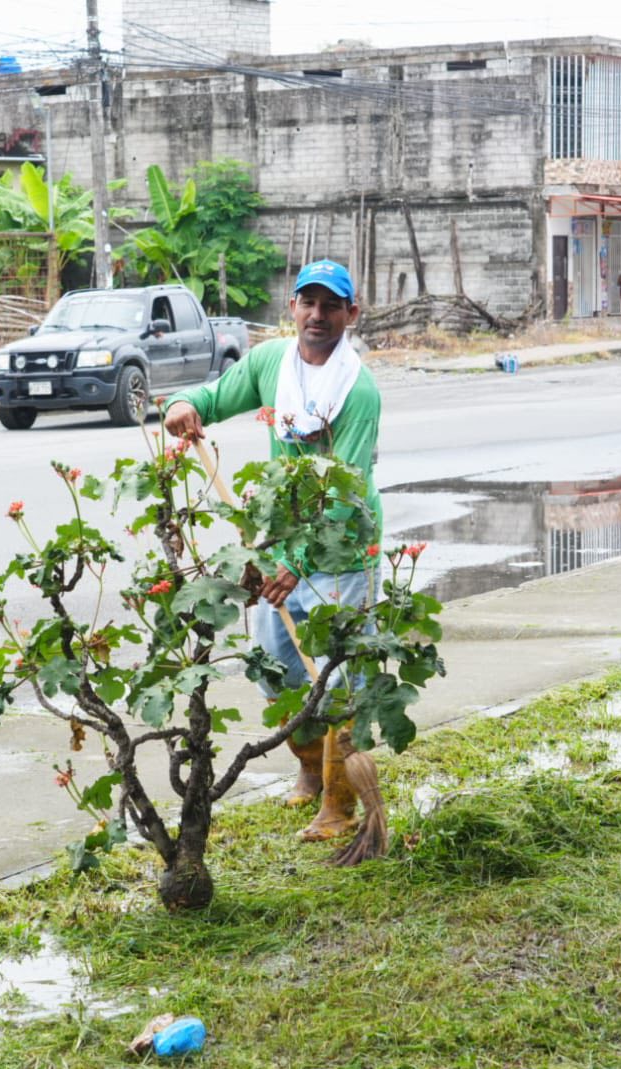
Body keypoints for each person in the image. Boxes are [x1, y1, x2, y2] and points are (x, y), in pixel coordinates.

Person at [162, 259, 381, 842]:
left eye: (330, 306)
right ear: (293, 308)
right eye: (308, 303)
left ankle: (339, 804)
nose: (317, 315)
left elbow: (346, 493)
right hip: (280, 542)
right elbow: (213, 397)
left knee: (339, 682)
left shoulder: (358, 390)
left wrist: (296, 563)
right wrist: (183, 403)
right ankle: (310, 765)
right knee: (276, 668)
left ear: (351, 315)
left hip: (341, 555)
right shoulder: (270, 364)